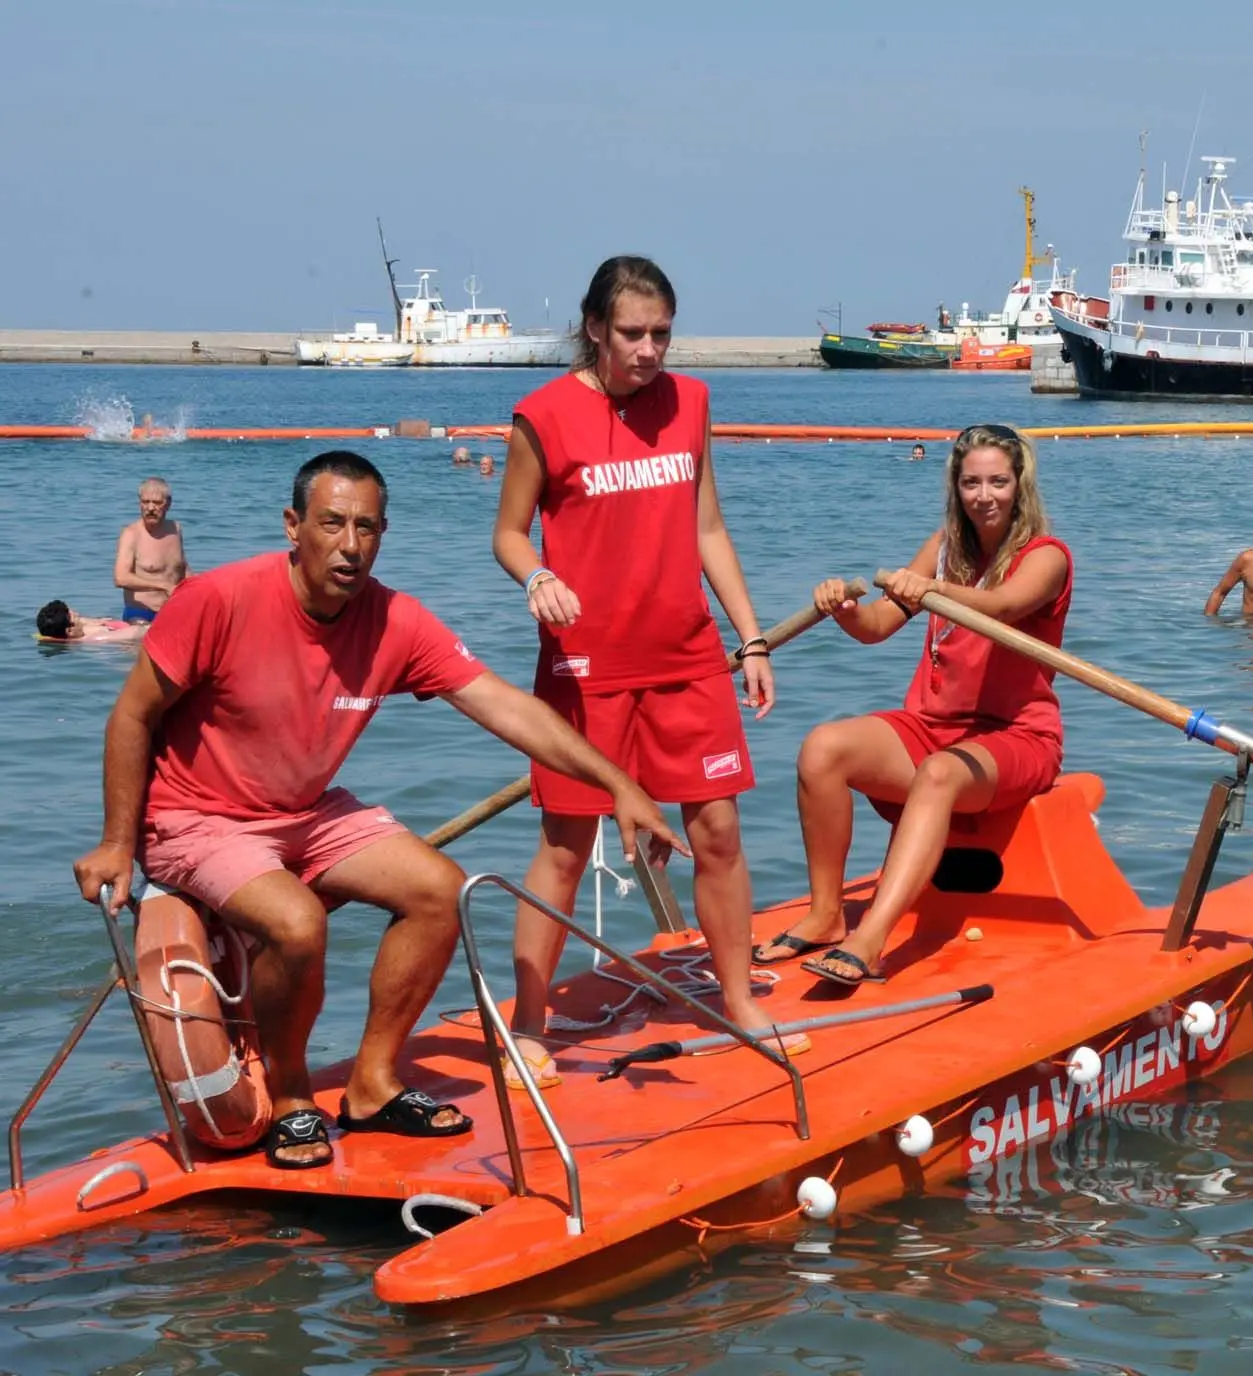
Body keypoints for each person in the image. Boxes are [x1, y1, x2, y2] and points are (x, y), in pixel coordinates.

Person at [72, 451, 682, 1170]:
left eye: (366, 527)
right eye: (331, 524)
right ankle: (295, 1096)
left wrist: (620, 787)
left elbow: (504, 706)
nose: (350, 545)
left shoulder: (394, 619)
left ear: (384, 533)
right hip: (196, 817)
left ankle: (372, 1084)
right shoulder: (219, 597)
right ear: (293, 526)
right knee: (297, 922)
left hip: (306, 810)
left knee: (438, 892)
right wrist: (117, 842)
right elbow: (132, 716)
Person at [493, 254, 784, 1084]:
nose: (650, 349)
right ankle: (529, 1025)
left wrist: (751, 639)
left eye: (661, 332)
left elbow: (708, 529)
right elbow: (509, 533)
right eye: (632, 333)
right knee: (566, 845)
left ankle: (741, 1003)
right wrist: (538, 576)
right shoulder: (541, 416)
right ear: (594, 330)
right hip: (586, 671)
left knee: (719, 832)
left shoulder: (690, 402)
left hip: (687, 658)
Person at [757, 423, 1073, 988]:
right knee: (823, 748)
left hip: (1018, 737)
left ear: (1020, 484)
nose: (984, 496)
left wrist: (930, 589)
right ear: (955, 486)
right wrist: (844, 607)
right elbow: (878, 625)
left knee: (938, 774)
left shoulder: (1047, 556)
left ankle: (870, 941)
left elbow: (1001, 606)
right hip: (932, 725)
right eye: (971, 482)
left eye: (998, 482)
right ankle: (826, 915)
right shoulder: (944, 547)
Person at [115, 477, 188, 622]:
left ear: (168, 504)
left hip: (172, 610)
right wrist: (163, 586)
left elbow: (182, 569)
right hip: (140, 614)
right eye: (145, 502)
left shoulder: (175, 529)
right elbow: (120, 578)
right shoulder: (131, 534)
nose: (150, 508)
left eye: (157, 503)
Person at [37, 600, 146, 644]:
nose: (77, 614)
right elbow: (137, 632)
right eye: (74, 616)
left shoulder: (72, 631)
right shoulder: (96, 638)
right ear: (70, 631)